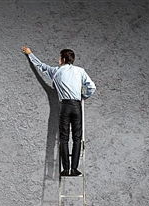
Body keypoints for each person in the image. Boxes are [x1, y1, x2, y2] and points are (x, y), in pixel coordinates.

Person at [21, 46, 96, 176]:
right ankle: (74, 169)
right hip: (77, 106)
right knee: (77, 138)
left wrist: (30, 54)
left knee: (64, 138)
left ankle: (66, 169)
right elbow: (92, 87)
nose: (58, 59)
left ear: (63, 58)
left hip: (65, 106)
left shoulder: (56, 71)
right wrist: (83, 96)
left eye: (59, 57)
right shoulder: (80, 71)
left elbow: (41, 66)